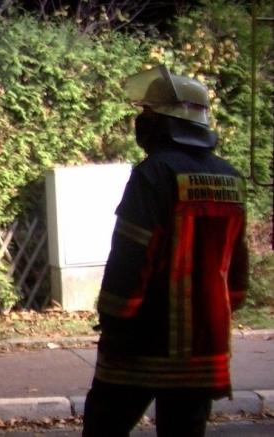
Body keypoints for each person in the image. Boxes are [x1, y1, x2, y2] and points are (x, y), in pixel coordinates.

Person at [82, 65, 249, 437]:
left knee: (104, 428)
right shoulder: (231, 177)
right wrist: (224, 307)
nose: (140, 121)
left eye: (146, 113)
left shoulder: (153, 174)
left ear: (163, 122)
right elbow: (237, 267)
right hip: (203, 347)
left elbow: (131, 257)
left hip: (142, 344)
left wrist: (113, 315)